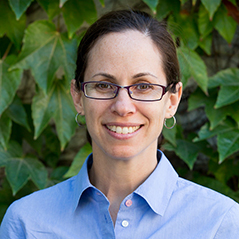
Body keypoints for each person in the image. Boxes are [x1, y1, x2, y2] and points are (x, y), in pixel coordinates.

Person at [0, 10, 239, 239]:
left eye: (143, 86)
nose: (123, 106)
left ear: (172, 100)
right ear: (77, 96)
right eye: (104, 85)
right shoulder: (27, 223)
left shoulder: (219, 223)